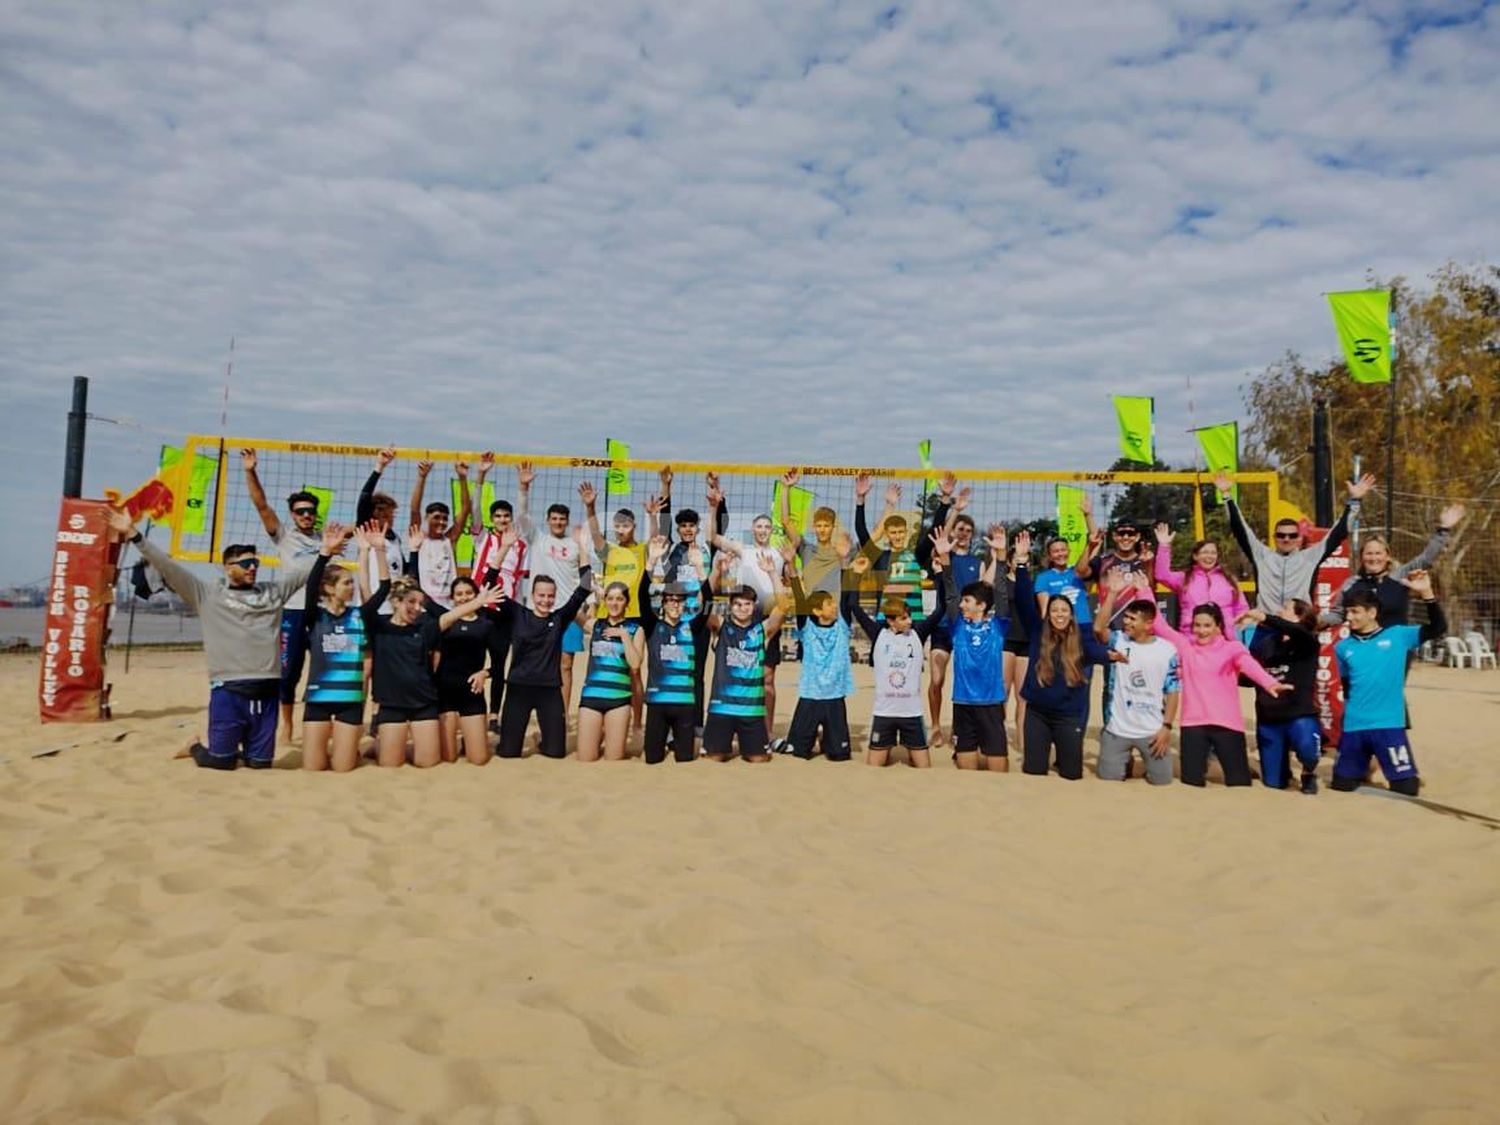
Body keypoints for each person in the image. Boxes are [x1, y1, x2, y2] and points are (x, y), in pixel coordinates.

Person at [107, 505, 320, 770]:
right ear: (228, 568)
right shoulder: (207, 594)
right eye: (245, 563)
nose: (253, 567)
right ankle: (194, 746)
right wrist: (134, 534)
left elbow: (306, 574)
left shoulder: (272, 592)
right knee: (221, 763)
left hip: (266, 691)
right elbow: (168, 567)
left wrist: (326, 551)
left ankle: (244, 750)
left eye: (255, 562)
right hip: (229, 690)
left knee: (260, 765)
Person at [358, 524, 501, 769]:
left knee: (429, 762)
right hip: (392, 704)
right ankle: (380, 744)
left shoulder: (425, 627)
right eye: (410, 603)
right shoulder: (379, 625)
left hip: (424, 703)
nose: (416, 608)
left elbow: (450, 616)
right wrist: (373, 552)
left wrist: (478, 601)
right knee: (390, 763)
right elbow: (368, 591)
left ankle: (400, 742)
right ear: (395, 601)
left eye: (419, 603)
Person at [1012, 531, 1119, 781]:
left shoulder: (1078, 577)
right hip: (1039, 707)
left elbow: (1097, 650)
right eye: (1055, 610)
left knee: (1072, 772)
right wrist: (1020, 563)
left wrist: (1112, 656)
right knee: (1035, 770)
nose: (1059, 614)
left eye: (1064, 611)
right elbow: (1025, 602)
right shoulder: (1040, 624)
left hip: (1069, 707)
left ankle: (1071, 741)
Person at [1151, 598, 1290, 787]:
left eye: (1207, 625)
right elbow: (1160, 626)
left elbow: (1248, 665)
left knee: (1239, 782)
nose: (1201, 630)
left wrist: (1269, 683)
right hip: (1194, 724)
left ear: (1218, 626)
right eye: (1197, 625)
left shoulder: (1232, 648)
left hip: (1227, 724)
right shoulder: (1186, 648)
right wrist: (1143, 589)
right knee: (1191, 781)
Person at [1333, 572, 1447, 795]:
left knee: (1406, 789)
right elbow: (1347, 686)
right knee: (1342, 786)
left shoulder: (1398, 636)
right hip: (1355, 726)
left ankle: (1379, 760)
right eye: (1347, 611)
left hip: (1388, 725)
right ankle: (1366, 762)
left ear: (1372, 612)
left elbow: (1438, 627)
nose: (1350, 617)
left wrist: (1426, 593)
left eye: (1355, 611)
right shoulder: (1342, 647)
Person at [241, 448, 326, 742]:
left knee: (322, 670)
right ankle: (287, 724)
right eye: (301, 511)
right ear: (293, 514)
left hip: (320, 611)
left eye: (310, 511)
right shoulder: (284, 535)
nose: (306, 515)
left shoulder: (324, 538)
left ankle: (314, 723)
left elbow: (360, 523)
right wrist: (251, 471)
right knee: (288, 672)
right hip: (291, 610)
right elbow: (261, 505)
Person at [494, 526, 594, 760]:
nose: (546, 600)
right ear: (533, 594)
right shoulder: (518, 614)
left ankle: (542, 738)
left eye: (550, 596)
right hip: (519, 687)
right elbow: (489, 583)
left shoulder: (559, 618)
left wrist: (582, 547)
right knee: (509, 753)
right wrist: (505, 547)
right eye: (541, 595)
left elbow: (585, 586)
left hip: (549, 689)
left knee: (556, 752)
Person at [580, 478, 667, 733]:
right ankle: (605, 720)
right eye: (617, 526)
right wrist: (591, 507)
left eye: (625, 525)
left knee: (635, 672)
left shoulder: (641, 549)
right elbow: (595, 536)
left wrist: (653, 516)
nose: (621, 529)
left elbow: (655, 541)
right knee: (604, 667)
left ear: (633, 526)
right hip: (608, 615)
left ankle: (637, 723)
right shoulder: (609, 551)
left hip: (635, 616)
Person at [1220, 470, 1375, 614]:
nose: (1286, 539)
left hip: (1298, 625)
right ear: (1274, 537)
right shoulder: (1261, 555)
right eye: (1281, 535)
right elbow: (1239, 529)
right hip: (1267, 625)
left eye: (1292, 535)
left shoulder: (1310, 557)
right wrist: (1226, 495)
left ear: (1299, 538)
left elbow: (1339, 532)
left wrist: (1355, 501)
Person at [845, 556, 947, 767]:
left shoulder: (917, 633)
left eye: (909, 616)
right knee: (875, 765)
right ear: (890, 621)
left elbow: (941, 609)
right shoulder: (878, 634)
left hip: (911, 713)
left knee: (923, 767)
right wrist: (855, 574)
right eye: (903, 618)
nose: (909, 620)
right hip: (884, 713)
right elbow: (853, 604)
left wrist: (939, 576)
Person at [706, 477, 786, 738]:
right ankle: (734, 724)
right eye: (759, 526)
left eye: (767, 526)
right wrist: (714, 506)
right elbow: (712, 537)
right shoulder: (744, 550)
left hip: (769, 616)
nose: (763, 530)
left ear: (771, 530)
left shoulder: (779, 553)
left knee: (767, 680)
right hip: (742, 615)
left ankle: (766, 731)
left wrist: (785, 490)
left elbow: (789, 525)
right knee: (733, 674)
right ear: (753, 529)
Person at [930, 524, 1010, 771]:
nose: (962, 604)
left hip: (991, 704)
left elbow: (1002, 592)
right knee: (967, 770)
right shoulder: (958, 625)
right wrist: (944, 559)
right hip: (964, 705)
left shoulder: (998, 625)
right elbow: (951, 592)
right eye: (962, 601)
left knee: (998, 770)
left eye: (968, 601)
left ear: (982, 605)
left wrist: (1001, 556)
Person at [1093, 571, 1181, 785]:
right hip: (1118, 729)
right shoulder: (1119, 640)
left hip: (1151, 731)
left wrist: (1166, 727)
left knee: (1162, 781)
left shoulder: (1167, 650)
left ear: (1149, 624)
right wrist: (1112, 593)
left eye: (1133, 619)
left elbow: (1173, 691)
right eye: (1126, 617)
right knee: (1108, 779)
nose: (1127, 622)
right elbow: (1098, 628)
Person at [637, 536, 714, 764]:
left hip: (684, 704)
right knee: (652, 759)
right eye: (669, 600)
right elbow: (642, 596)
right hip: (657, 703)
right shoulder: (653, 627)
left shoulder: (691, 626)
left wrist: (700, 569)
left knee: (684, 759)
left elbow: (707, 600)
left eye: (678, 600)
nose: (674, 604)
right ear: (663, 603)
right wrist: (650, 562)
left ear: (684, 604)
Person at [703, 559, 788, 764]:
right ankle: (721, 742)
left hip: (752, 711)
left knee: (759, 759)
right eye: (738, 604)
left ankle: (748, 742)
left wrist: (772, 574)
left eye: (747, 604)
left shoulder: (761, 631)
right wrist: (716, 573)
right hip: (722, 708)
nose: (743, 608)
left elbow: (783, 607)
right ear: (731, 606)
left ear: (753, 606)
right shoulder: (721, 628)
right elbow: (701, 606)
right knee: (715, 758)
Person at [1323, 504, 1465, 627]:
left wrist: (1443, 530)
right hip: (1364, 650)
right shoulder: (1350, 584)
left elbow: (1426, 559)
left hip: (1396, 650)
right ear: (1361, 557)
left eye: (1378, 553)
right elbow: (1338, 615)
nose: (1374, 558)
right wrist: (1315, 621)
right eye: (1369, 554)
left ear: (1387, 556)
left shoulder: (1399, 576)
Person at [516, 460, 587, 706]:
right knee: (534, 662)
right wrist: (523, 488)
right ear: (547, 520)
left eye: (562, 519)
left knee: (566, 665)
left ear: (567, 521)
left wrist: (589, 603)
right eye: (554, 518)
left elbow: (586, 575)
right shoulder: (538, 539)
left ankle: (562, 715)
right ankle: (535, 711)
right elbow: (523, 517)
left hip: (567, 613)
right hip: (540, 610)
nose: (558, 522)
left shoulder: (575, 544)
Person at [299, 528, 368, 772]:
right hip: (319, 698)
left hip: (349, 701)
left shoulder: (359, 615)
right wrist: (324, 554)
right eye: (347, 583)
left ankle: (350, 749)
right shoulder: (315, 617)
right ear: (329, 588)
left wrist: (369, 552)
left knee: (343, 768)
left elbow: (378, 593)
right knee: (313, 768)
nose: (352, 587)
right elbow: (310, 588)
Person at [469, 452, 529, 729]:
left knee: (500, 662)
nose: (503, 520)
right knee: (471, 659)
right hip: (481, 604)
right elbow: (475, 509)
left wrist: (523, 488)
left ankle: (494, 715)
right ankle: (470, 711)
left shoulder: (518, 543)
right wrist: (480, 476)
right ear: (493, 519)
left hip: (505, 608)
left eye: (507, 516)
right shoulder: (483, 536)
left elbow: (524, 515)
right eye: (499, 516)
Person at [921, 473, 977, 748]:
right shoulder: (946, 557)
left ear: (973, 536)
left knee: (965, 681)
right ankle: (934, 726)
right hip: (943, 625)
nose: (963, 533)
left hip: (967, 627)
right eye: (960, 530)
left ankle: (959, 728)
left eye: (968, 531)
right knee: (937, 678)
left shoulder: (978, 562)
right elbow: (941, 535)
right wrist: (955, 510)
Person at [1243, 600, 1322, 793]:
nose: (1279, 610)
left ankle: (1308, 772)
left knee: (1308, 750)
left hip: (1298, 714)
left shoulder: (1308, 642)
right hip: (1269, 717)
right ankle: (1283, 770)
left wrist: (1264, 617)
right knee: (1274, 783)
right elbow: (1250, 674)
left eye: (1285, 608)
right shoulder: (1266, 643)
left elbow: (1297, 631)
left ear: (1299, 617)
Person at [576, 581, 646, 762]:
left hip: (618, 701)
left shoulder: (635, 630)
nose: (615, 603)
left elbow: (635, 664)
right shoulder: (595, 625)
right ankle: (597, 735)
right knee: (586, 758)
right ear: (605, 600)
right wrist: (588, 590)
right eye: (611, 598)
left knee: (613, 759)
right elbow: (573, 611)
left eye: (620, 599)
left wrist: (624, 636)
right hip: (591, 697)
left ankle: (607, 732)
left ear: (626, 603)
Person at [779, 468, 855, 631]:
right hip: (810, 616)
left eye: (826, 526)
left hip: (837, 617)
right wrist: (786, 489)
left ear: (833, 527)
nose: (822, 529)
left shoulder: (842, 552)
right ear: (813, 527)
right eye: (819, 525)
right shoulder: (806, 549)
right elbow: (786, 521)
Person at [785, 586, 855, 761]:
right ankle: (813, 736)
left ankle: (828, 739)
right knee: (799, 752)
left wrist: (847, 570)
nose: (834, 606)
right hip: (811, 695)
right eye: (829, 604)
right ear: (816, 611)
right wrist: (792, 569)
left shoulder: (842, 626)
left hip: (835, 695)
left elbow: (848, 599)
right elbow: (800, 601)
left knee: (839, 755)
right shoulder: (807, 628)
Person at [1153, 523, 1248, 632]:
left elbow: (1241, 608)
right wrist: (1164, 546)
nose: (1209, 556)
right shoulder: (1184, 578)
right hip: (1192, 638)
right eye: (1205, 552)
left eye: (1213, 553)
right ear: (1195, 556)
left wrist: (1236, 626)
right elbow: (1161, 575)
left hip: (1224, 639)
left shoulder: (1229, 579)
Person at [407, 458, 473, 611]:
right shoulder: (419, 537)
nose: (441, 522)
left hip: (448, 606)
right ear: (427, 518)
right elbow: (414, 509)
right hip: (424, 606)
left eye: (445, 518)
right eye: (436, 517)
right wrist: (422, 477)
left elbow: (465, 509)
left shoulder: (449, 539)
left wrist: (462, 478)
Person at [355, 446, 407, 606]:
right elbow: (364, 498)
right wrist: (379, 467)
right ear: (374, 515)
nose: (389, 519)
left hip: (393, 607)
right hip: (371, 604)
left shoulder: (395, 538)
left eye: (391, 515)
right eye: (385, 515)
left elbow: (402, 569)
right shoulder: (367, 531)